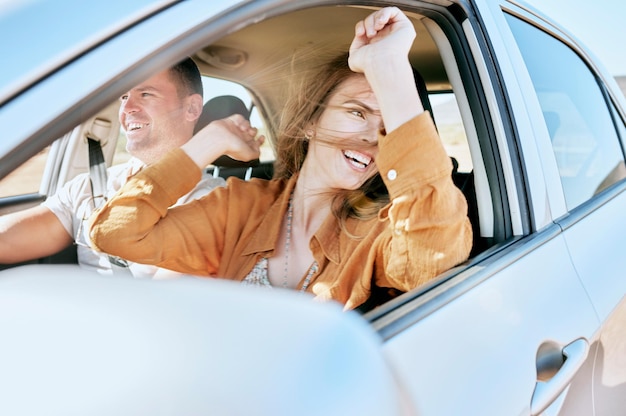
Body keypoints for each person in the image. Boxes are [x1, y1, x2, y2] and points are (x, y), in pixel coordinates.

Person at [89, 7, 473, 309]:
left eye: (387, 126)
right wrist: (210, 141)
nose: (373, 138)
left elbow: (431, 260)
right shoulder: (239, 206)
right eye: (357, 112)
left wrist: (389, 67)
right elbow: (116, 234)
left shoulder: (380, 229)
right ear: (310, 122)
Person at [0, 58, 225, 277]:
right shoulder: (89, 187)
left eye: (146, 94)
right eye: (124, 96)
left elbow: (160, 305)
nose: (127, 108)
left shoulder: (213, 201)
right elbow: (6, 240)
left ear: (192, 108)